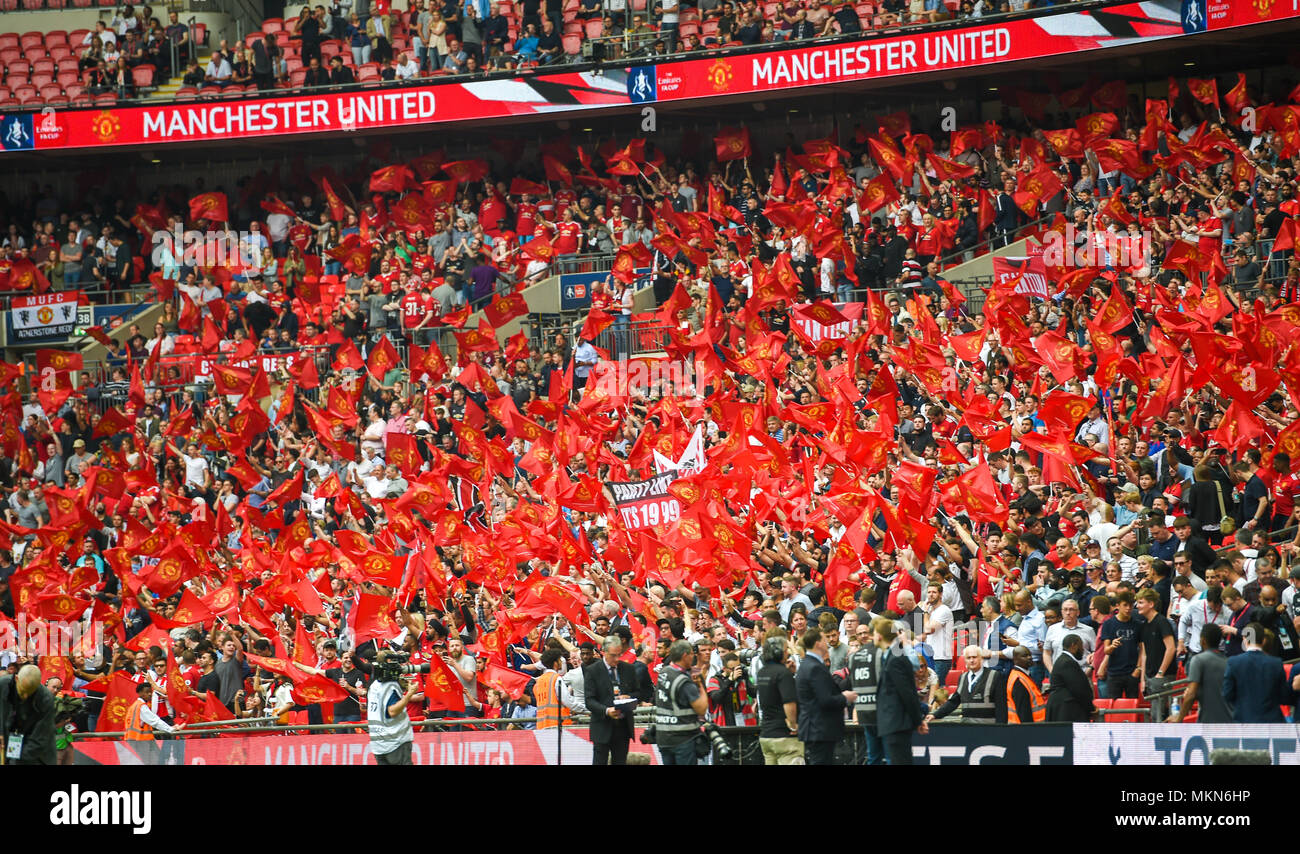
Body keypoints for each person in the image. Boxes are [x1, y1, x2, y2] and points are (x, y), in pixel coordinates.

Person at [794, 627, 856, 765]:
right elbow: (825, 700)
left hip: (815, 728)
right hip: (819, 728)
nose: (827, 642)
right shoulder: (815, 667)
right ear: (818, 644)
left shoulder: (808, 665)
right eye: (823, 639)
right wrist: (845, 697)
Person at [872, 618, 927, 765]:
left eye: (875, 632)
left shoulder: (896, 658)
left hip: (896, 722)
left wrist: (917, 720)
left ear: (880, 636)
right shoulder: (892, 656)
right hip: (894, 723)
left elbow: (907, 692)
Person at [583, 636, 643, 765]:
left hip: (623, 727)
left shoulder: (628, 669)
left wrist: (629, 697)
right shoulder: (593, 671)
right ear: (603, 652)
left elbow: (639, 693)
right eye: (613, 655)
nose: (616, 659)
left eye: (619, 655)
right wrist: (606, 710)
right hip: (602, 726)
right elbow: (589, 700)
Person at [651, 640, 708, 765]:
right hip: (683, 738)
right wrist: (700, 685)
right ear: (684, 656)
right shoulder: (684, 681)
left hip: (663, 737)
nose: (693, 657)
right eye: (692, 654)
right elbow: (701, 709)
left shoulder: (664, 672)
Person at [1222, 623, 1293, 723]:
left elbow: (1227, 694)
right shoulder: (1276, 663)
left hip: (1244, 721)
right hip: (1272, 722)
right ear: (1263, 640)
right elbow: (1284, 696)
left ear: (1245, 639)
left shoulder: (1233, 662)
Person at [1167, 624, 1232, 723]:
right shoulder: (1229, 662)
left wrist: (1179, 718)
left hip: (1208, 723)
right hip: (1229, 722)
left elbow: (1191, 694)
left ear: (1203, 640)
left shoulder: (1198, 660)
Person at [927, 644, 1008, 724]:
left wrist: (1000, 729)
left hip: (988, 728)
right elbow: (953, 702)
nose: (972, 660)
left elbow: (1001, 707)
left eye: (974, 657)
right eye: (969, 658)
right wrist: (935, 715)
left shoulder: (995, 676)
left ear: (981, 658)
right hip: (967, 729)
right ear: (965, 660)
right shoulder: (963, 677)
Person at [366, 650, 420, 765]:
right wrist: (409, 694)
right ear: (389, 661)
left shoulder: (374, 685)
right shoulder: (390, 686)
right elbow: (392, 711)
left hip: (378, 743)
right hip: (395, 741)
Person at [755, 636, 802, 765]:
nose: (788, 653)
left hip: (766, 735)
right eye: (786, 649)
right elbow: (789, 703)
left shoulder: (762, 672)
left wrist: (789, 673)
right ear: (777, 652)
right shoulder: (782, 674)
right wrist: (793, 725)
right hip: (784, 737)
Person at [846, 620, 887, 764]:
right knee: (890, 756)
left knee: (873, 756)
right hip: (882, 711)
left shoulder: (853, 656)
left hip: (864, 711)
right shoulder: (881, 653)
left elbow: (851, 683)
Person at [0, 664, 57, 765]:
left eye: (30, 692)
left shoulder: (46, 698)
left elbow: (40, 739)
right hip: (7, 744)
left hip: (36, 755)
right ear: (17, 678)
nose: (25, 696)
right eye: (23, 691)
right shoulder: (3, 685)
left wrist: (16, 760)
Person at [1045, 635, 1095, 722]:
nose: (1083, 650)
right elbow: (1079, 690)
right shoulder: (1068, 662)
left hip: (1063, 709)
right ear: (1074, 645)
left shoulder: (1063, 660)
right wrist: (1091, 708)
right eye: (1081, 646)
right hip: (1066, 711)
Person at [531, 647, 572, 730]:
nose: (562, 662)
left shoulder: (538, 682)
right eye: (560, 660)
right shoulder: (556, 678)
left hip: (542, 727)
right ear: (555, 663)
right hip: (559, 727)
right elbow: (568, 701)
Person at [1006, 646, 1047, 723]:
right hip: (1026, 729)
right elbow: (1023, 712)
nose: (1029, 657)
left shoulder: (1023, 675)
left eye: (1030, 655)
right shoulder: (1019, 680)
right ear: (1015, 660)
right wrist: (1028, 730)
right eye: (1024, 656)